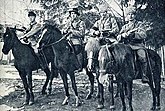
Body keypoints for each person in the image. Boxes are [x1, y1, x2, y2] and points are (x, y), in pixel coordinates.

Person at [117, 6, 149, 83]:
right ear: (127, 16)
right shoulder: (125, 27)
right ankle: (119, 74)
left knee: (142, 56)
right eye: (129, 14)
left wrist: (134, 35)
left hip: (137, 45)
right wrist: (122, 35)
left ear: (135, 15)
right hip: (126, 46)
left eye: (132, 14)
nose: (130, 16)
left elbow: (144, 34)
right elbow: (118, 37)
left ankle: (144, 75)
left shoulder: (139, 24)